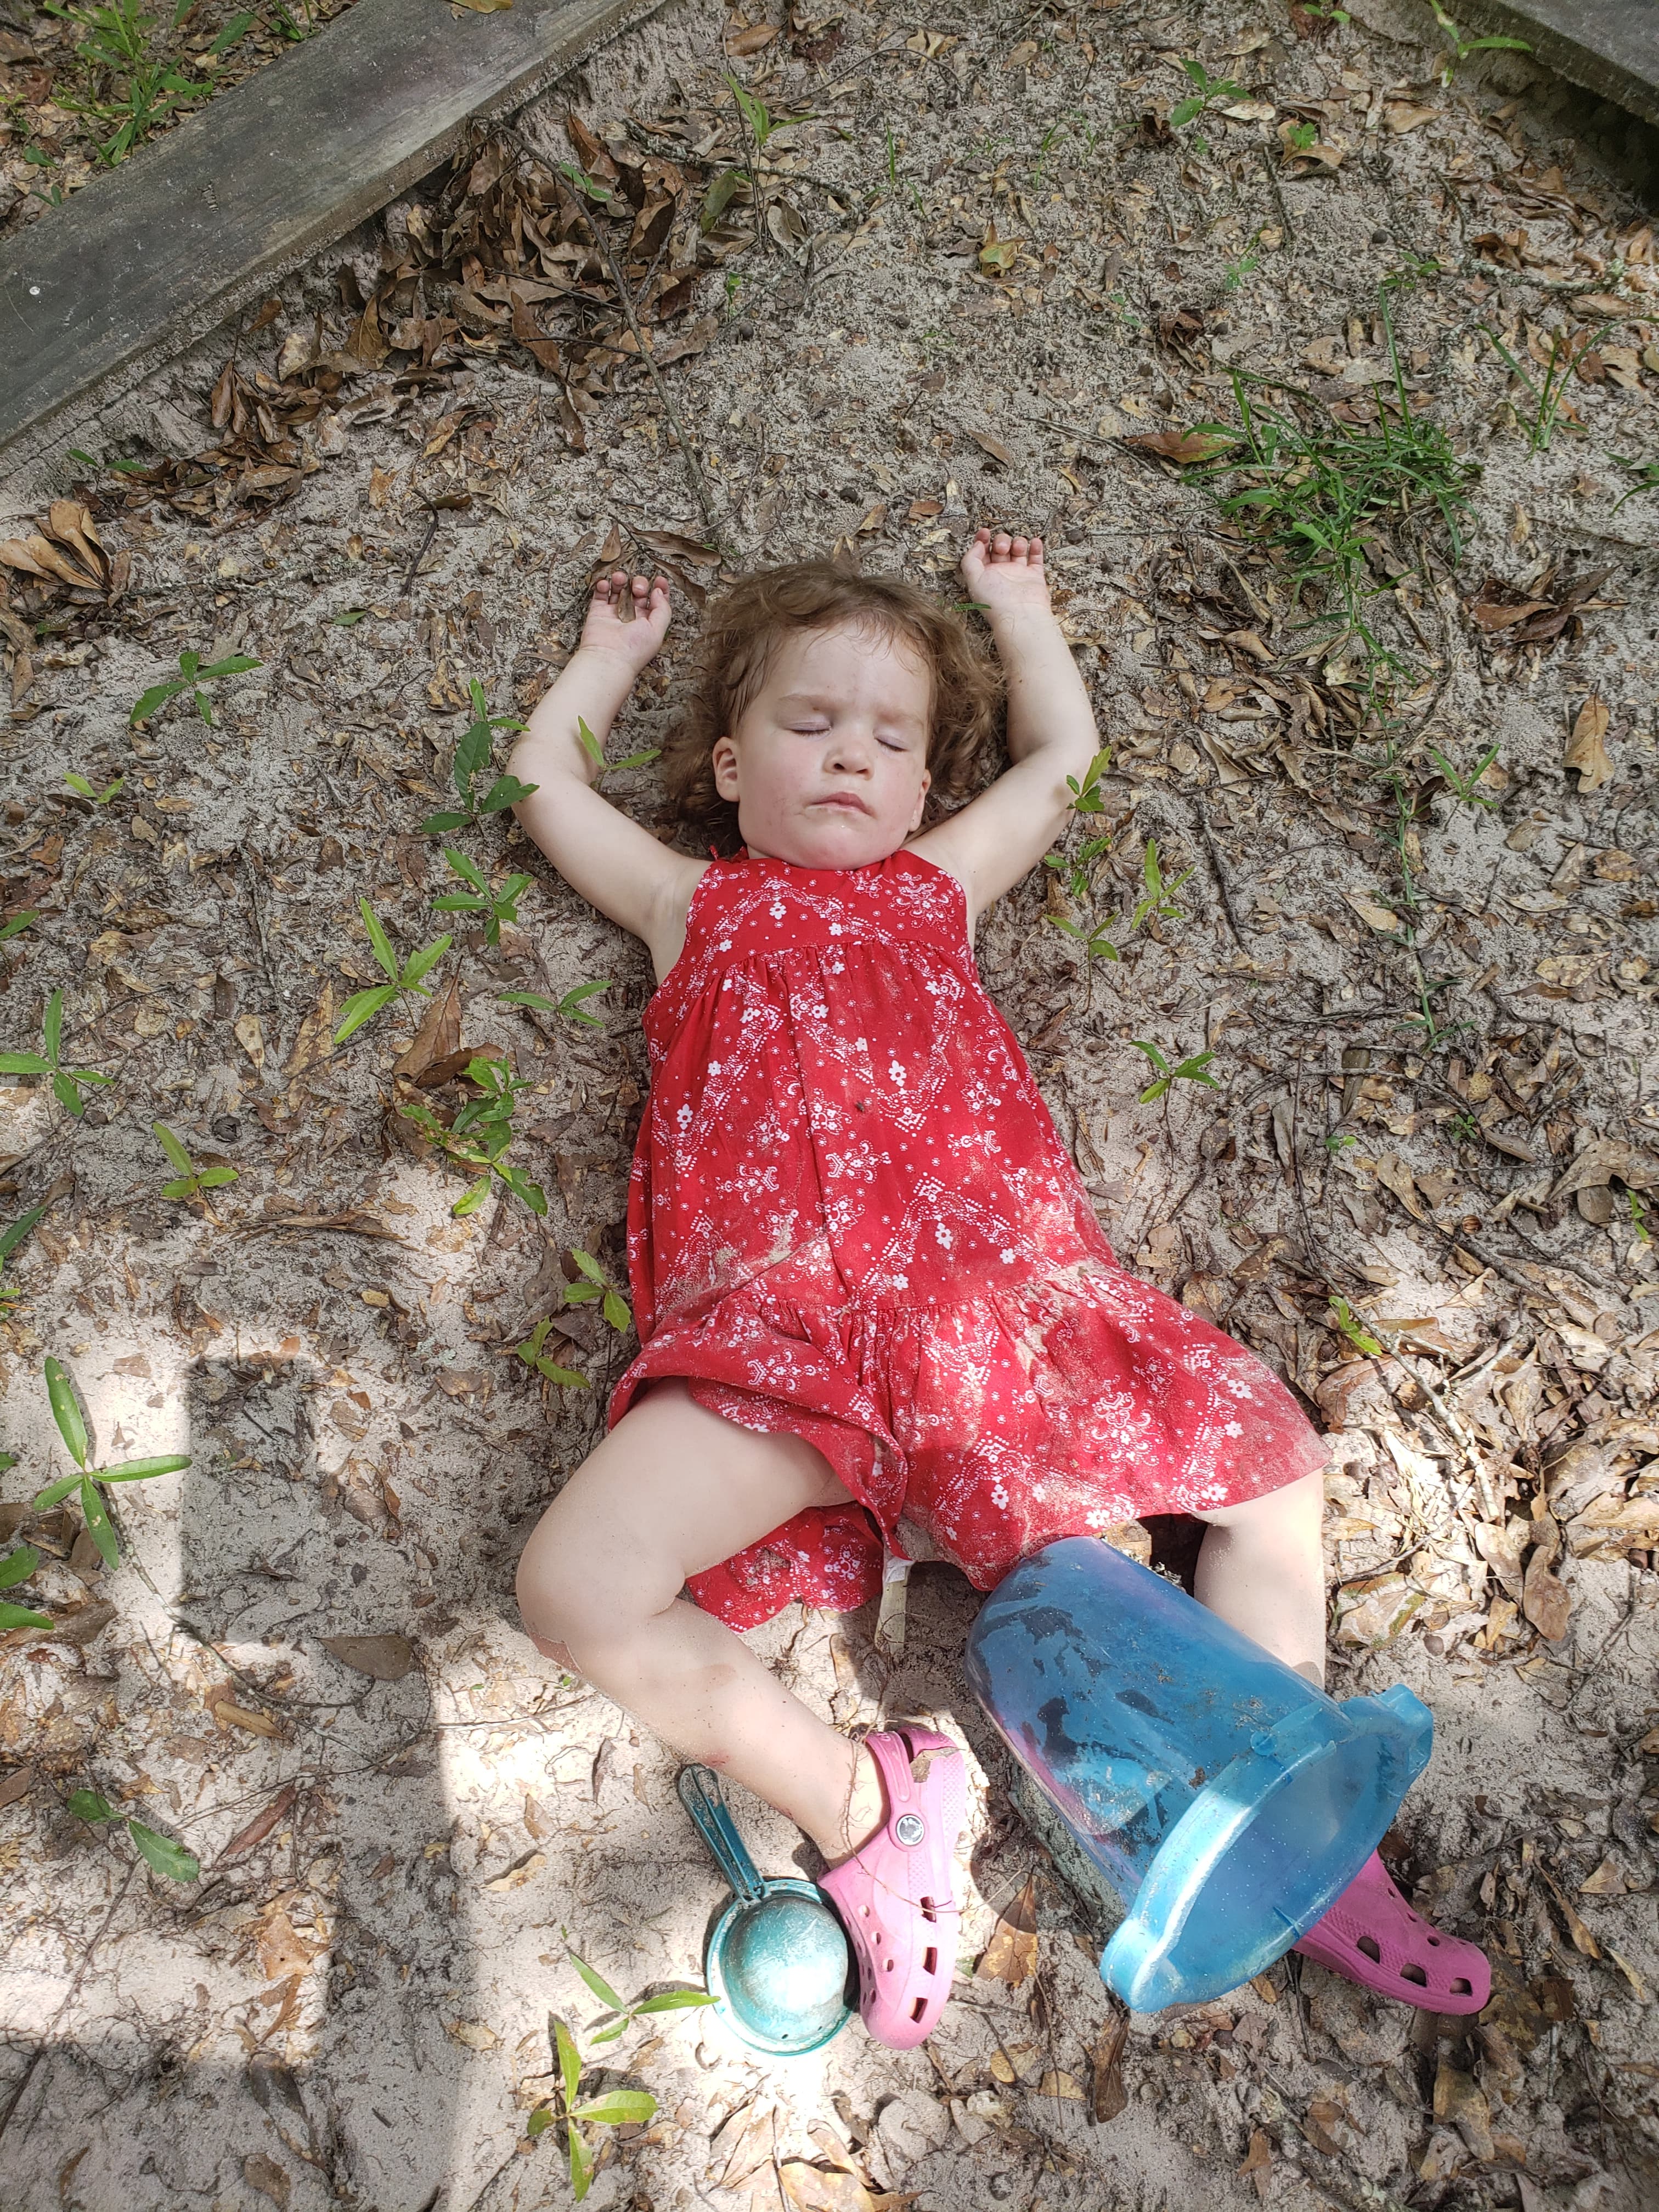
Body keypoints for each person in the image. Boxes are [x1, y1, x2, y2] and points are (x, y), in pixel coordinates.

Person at [510, 533, 1488, 2047]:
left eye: (890, 739)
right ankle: (862, 1799)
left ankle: (1286, 1789)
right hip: (784, 1352)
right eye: (806, 723)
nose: (850, 756)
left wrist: (1022, 616)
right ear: (723, 764)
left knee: (1271, 1461)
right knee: (571, 1586)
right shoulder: (687, 906)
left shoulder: (933, 888)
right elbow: (547, 791)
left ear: (923, 788)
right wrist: (608, 662)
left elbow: (1067, 762)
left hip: (999, 1324)